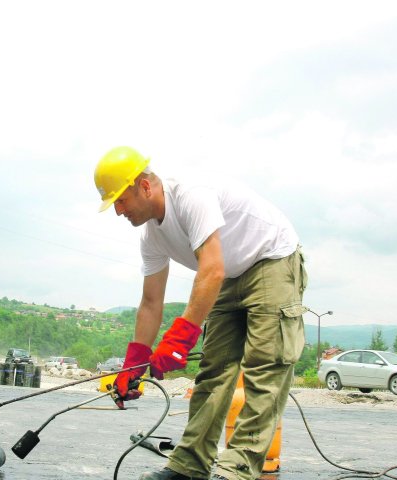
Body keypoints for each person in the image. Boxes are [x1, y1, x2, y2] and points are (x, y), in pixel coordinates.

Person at [93, 146, 308, 480]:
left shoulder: (191, 195)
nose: (119, 211)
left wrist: (179, 339)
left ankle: (236, 469)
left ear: (145, 186)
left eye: (121, 200)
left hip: (271, 258)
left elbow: (211, 270)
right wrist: (134, 362)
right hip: (228, 273)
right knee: (214, 370)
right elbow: (151, 303)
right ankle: (189, 466)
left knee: (265, 366)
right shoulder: (151, 236)